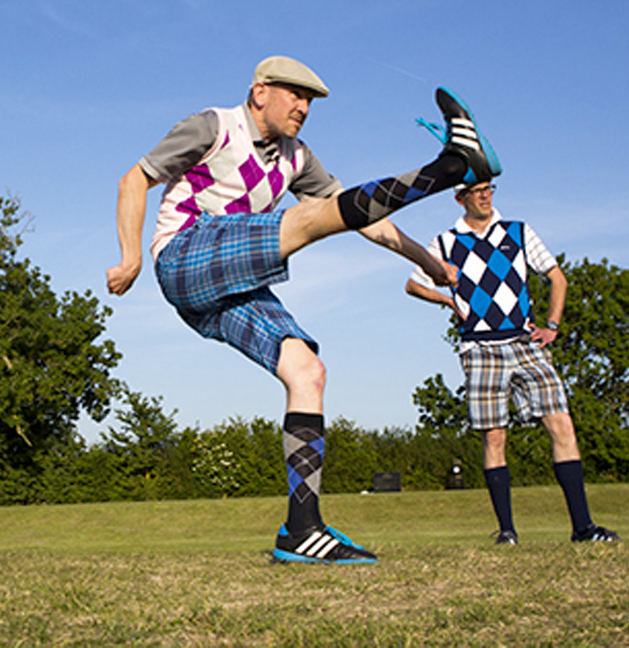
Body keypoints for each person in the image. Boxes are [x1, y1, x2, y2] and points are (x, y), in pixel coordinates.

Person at [106, 57, 500, 565]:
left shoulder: (298, 159)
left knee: (307, 370)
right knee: (304, 220)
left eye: (310, 100)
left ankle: (302, 529)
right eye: (294, 94)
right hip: (185, 256)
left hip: (234, 281)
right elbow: (133, 180)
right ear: (260, 92)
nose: (304, 107)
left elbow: (358, 216)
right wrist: (131, 257)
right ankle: (449, 168)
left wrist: (427, 261)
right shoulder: (213, 126)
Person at [405, 180, 619, 545]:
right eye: (476, 190)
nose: (485, 195)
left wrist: (552, 326)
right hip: (479, 348)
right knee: (494, 436)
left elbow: (557, 278)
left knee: (561, 425)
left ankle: (583, 528)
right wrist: (448, 300)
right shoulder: (444, 243)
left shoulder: (518, 232)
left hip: (525, 343)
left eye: (489, 188)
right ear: (460, 199)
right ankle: (507, 532)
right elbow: (413, 285)